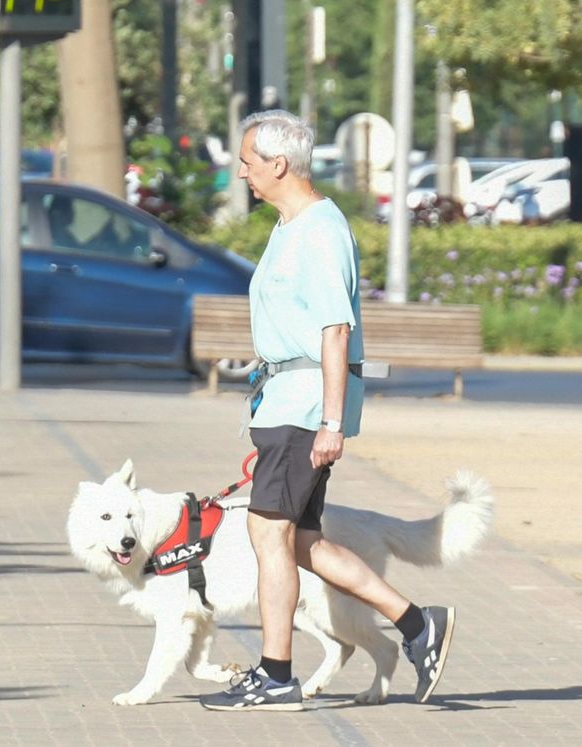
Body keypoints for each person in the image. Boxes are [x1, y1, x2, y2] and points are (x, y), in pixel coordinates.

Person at [200, 110, 456, 713]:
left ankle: (276, 674)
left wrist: (332, 424)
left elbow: (335, 330)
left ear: (278, 164)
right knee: (302, 541)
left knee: (267, 531)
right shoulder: (290, 225)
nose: (241, 172)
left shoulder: (319, 230)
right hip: (284, 402)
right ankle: (419, 626)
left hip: (305, 407)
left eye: (247, 161)